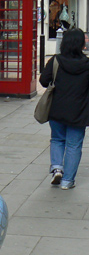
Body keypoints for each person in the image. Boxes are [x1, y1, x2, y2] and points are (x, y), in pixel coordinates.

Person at [40, 28, 89, 189]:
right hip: (79, 111)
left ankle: (57, 168)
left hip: (57, 109)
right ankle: (68, 181)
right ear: (81, 44)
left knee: (57, 139)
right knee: (74, 145)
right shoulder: (87, 64)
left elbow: (43, 81)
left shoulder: (56, 61)